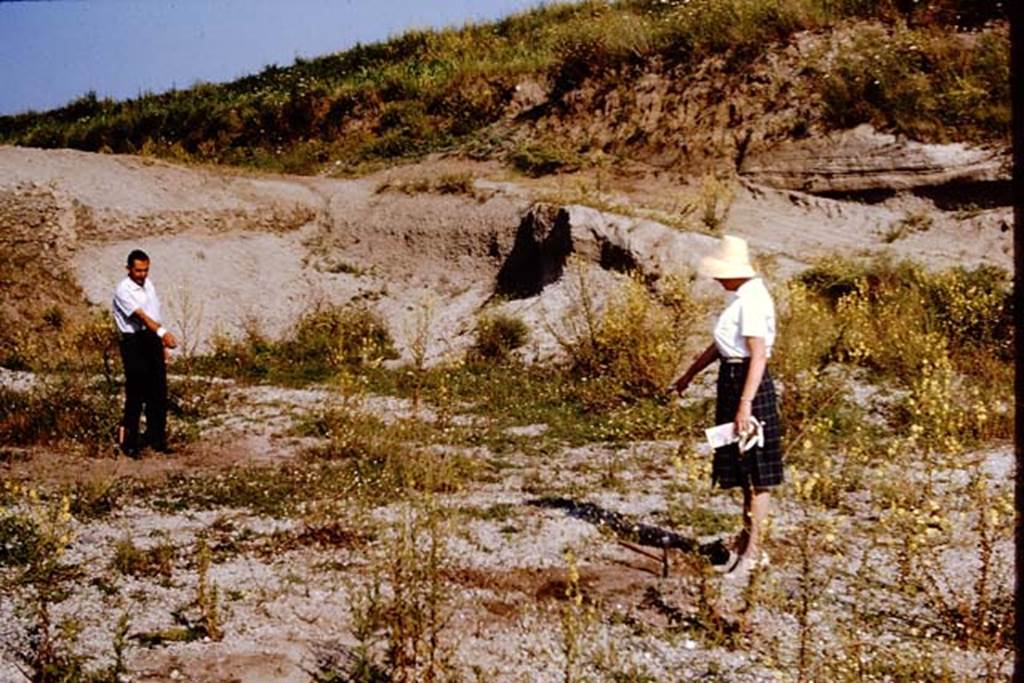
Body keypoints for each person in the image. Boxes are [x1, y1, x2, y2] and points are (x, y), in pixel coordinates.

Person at [672, 235, 782, 576]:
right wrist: (690, 373)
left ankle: (752, 553)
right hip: (733, 379)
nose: (718, 279)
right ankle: (745, 540)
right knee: (741, 465)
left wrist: (745, 404)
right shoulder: (740, 298)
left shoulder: (753, 300)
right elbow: (722, 346)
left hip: (747, 383)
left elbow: (758, 355)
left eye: (721, 273)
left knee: (757, 472)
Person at [112, 249, 177, 456]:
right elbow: (140, 316)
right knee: (136, 392)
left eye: (146, 270)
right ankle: (129, 443)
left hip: (151, 339)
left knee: (158, 390)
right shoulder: (123, 290)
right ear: (129, 269)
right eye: (138, 271)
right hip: (133, 342)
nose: (142, 275)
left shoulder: (148, 284)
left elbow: (154, 313)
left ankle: (156, 438)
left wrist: (161, 344)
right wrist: (163, 333)